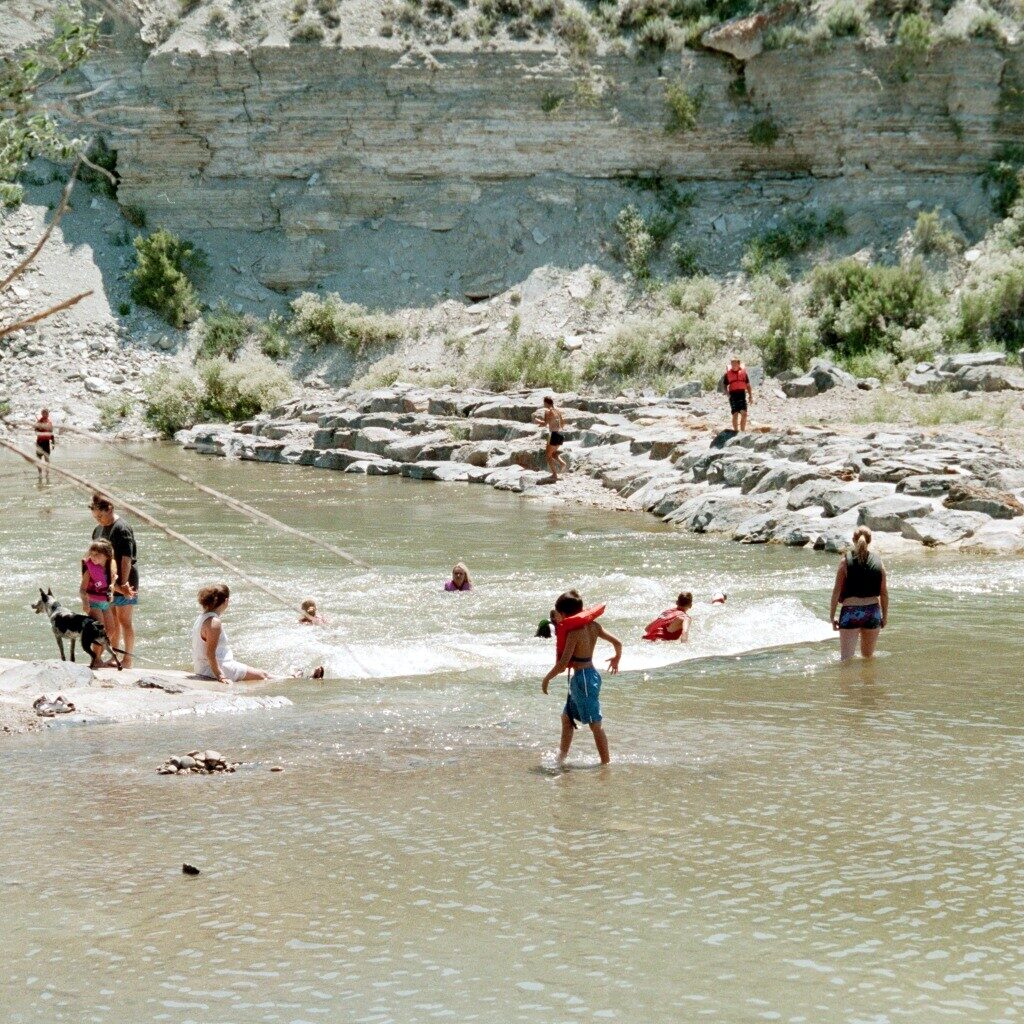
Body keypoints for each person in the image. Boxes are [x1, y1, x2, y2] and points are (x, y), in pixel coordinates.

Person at [542, 591, 622, 766]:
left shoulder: (574, 632)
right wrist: (617, 658)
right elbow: (618, 643)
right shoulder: (594, 626)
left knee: (595, 724)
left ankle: (606, 764)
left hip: (583, 680)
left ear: (563, 614)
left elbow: (563, 664)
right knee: (566, 718)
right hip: (589, 675)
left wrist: (546, 679)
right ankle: (561, 758)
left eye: (558, 614)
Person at [90, 494, 138, 668]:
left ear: (109, 509)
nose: (98, 519)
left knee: (124, 620)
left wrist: (123, 583)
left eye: (100, 516)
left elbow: (126, 558)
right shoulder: (98, 529)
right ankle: (114, 656)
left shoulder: (122, 528)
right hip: (107, 581)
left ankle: (128, 660)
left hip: (125, 578)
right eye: (95, 517)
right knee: (112, 620)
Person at [829, 526, 888, 662]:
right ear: (869, 541)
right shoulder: (879, 562)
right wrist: (884, 617)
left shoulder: (845, 561)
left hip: (850, 612)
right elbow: (884, 593)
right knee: (868, 659)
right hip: (872, 612)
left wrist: (832, 617)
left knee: (846, 660)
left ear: (853, 540)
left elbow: (836, 591)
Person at [192, 583, 269, 683]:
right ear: (226, 600)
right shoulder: (214, 622)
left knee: (261, 673)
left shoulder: (201, 617)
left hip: (204, 667)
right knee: (264, 676)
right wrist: (221, 676)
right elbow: (210, 654)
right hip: (214, 669)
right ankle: (289, 680)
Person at [79, 539, 118, 662]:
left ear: (107, 555)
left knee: (111, 630)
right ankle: (96, 659)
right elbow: (82, 589)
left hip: (105, 603)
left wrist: (115, 589)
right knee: (99, 632)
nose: (93, 557)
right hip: (93, 602)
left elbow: (111, 585)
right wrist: (85, 602)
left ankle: (98, 656)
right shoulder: (89, 570)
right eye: (92, 554)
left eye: (97, 554)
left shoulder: (110, 568)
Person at [533, 396, 568, 482]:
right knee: (553, 453)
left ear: (546, 403)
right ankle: (562, 463)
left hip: (553, 435)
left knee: (548, 456)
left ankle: (555, 474)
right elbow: (562, 424)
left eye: (544, 403)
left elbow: (545, 423)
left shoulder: (547, 411)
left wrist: (537, 421)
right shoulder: (558, 411)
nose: (544, 405)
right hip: (560, 435)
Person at [721, 357, 753, 432]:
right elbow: (725, 385)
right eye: (732, 364)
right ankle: (735, 432)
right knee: (735, 414)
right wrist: (727, 393)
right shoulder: (728, 374)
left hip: (742, 394)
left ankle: (742, 432)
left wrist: (750, 396)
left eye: (734, 364)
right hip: (733, 395)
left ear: (739, 364)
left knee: (744, 414)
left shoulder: (744, 373)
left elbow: (748, 385)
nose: (733, 365)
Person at [34, 408, 55, 482]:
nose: (45, 414)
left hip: (46, 442)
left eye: (47, 413)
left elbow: (51, 433)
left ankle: (47, 474)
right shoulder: (39, 422)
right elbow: (36, 431)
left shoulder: (49, 422)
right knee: (39, 459)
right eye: (44, 413)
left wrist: (53, 442)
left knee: (47, 459)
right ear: (42, 414)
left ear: (48, 414)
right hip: (40, 442)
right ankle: (40, 474)